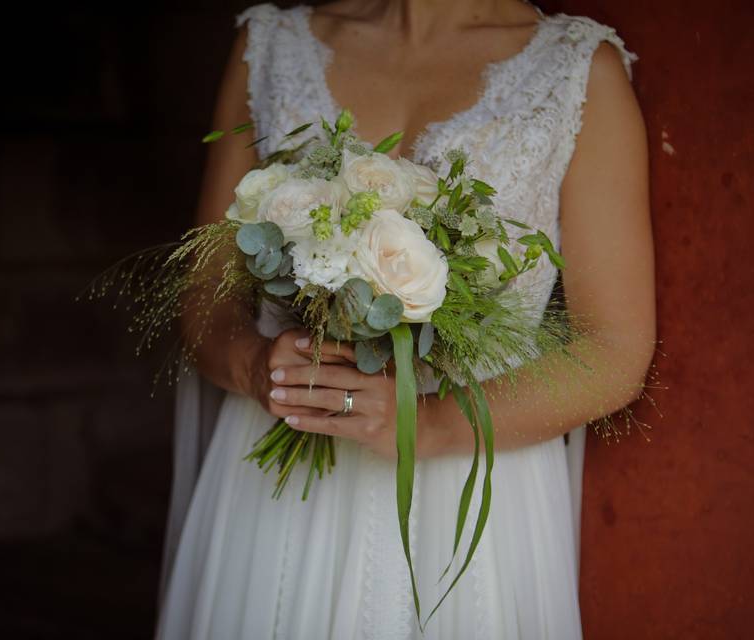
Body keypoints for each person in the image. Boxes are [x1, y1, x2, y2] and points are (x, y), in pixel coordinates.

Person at [156, 0, 655, 637]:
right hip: (278, 477)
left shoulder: (578, 70)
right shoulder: (275, 46)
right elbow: (205, 290)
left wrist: (432, 425)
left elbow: (613, 350)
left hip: (465, 487)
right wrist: (257, 367)